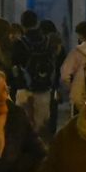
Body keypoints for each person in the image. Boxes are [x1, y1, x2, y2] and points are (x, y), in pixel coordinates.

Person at [11, 10, 58, 139]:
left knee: (23, 126)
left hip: (24, 88)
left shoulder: (19, 43)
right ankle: (42, 153)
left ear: (22, 24)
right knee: (41, 127)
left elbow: (14, 66)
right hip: (44, 89)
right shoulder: (47, 42)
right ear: (37, 22)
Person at [60, 21, 86, 111]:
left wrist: (71, 86)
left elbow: (64, 75)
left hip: (79, 92)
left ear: (81, 35)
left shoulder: (76, 52)